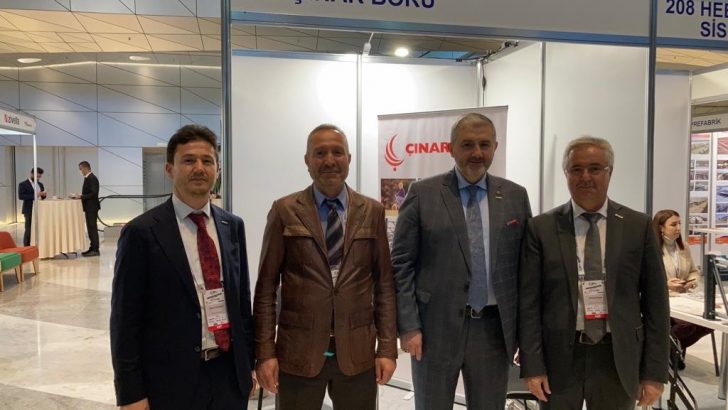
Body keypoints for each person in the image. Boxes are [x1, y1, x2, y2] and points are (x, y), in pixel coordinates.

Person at [391, 113, 532, 409]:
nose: (477, 152)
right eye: (467, 144)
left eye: (484, 144)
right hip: (434, 330)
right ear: (450, 148)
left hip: (494, 331)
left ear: (495, 147)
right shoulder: (423, 194)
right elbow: (401, 264)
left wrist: (524, 333)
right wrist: (409, 326)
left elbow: (525, 269)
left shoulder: (515, 196)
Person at [518, 136, 669, 410]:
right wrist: (533, 365)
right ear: (566, 173)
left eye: (595, 168)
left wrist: (654, 372)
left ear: (610, 172)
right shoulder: (541, 228)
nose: (585, 177)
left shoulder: (638, 226)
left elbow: (656, 304)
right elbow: (529, 303)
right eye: (576, 169)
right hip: (559, 357)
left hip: (617, 356)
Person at [110, 124, 254, 410]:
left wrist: (247, 365)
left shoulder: (232, 226)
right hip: (170, 382)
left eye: (207, 161)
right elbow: (125, 320)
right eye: (188, 160)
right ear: (170, 169)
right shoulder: (142, 232)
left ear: (217, 170)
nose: (199, 168)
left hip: (228, 376)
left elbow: (241, 303)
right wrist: (131, 393)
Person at [254, 124, 397, 409]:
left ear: (349, 158)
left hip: (357, 351)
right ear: (307, 160)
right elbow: (266, 288)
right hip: (299, 352)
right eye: (320, 153)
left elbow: (384, 285)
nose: (329, 160)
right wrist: (265, 352)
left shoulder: (372, 211)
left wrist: (388, 348)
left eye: (337, 152)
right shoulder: (284, 210)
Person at [653, 209, 712, 369]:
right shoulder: (651, 248)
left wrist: (690, 282)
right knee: (687, 324)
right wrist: (666, 284)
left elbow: (694, 271)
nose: (679, 228)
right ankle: (671, 348)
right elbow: (645, 278)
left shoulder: (683, 246)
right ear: (661, 227)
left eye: (679, 223)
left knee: (709, 322)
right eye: (673, 224)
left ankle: (671, 348)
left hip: (684, 297)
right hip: (663, 298)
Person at [17, 167, 46, 246]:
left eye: (40, 176)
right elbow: (21, 196)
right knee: (29, 228)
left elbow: (42, 197)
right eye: (37, 176)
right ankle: (26, 247)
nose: (38, 178)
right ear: (32, 174)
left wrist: (43, 195)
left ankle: (39, 245)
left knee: (40, 228)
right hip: (29, 209)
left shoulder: (40, 184)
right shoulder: (23, 184)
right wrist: (35, 195)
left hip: (40, 209)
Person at [78, 161, 100, 256]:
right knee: (90, 228)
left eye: (81, 169)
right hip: (89, 207)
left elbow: (94, 193)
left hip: (92, 207)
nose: (80, 171)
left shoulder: (92, 178)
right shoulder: (88, 178)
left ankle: (95, 249)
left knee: (92, 228)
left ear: (85, 168)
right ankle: (92, 247)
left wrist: (81, 196)